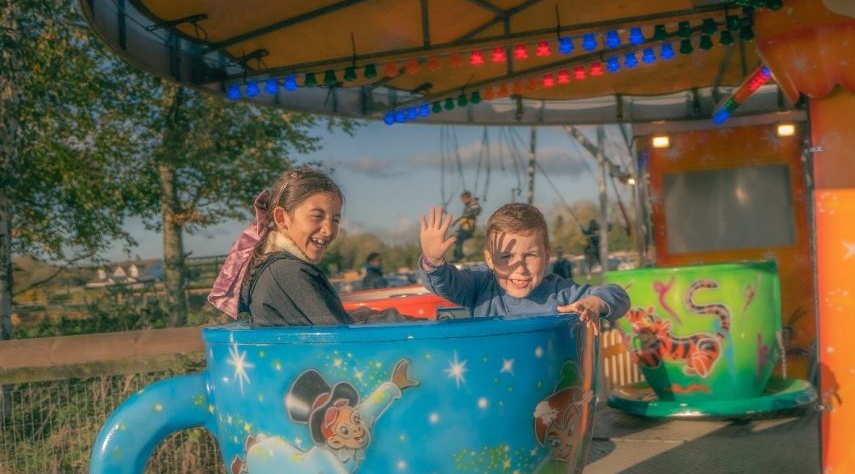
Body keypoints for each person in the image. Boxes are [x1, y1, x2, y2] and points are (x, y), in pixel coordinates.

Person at [208, 167, 402, 326]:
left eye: (335, 219)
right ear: (282, 218)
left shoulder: (276, 269)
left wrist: (357, 317)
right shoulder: (287, 273)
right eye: (317, 216)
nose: (328, 229)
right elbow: (342, 342)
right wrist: (398, 319)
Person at [417, 202, 630, 328]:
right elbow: (446, 283)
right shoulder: (479, 286)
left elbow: (618, 295)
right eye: (506, 257)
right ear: (489, 259)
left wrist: (595, 302)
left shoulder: (560, 292)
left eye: (530, 255)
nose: (519, 268)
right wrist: (433, 261)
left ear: (546, 257)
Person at [452, 191, 481, 262]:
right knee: (454, 238)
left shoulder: (473, 204)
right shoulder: (467, 206)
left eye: (463, 199)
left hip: (468, 229)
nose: (462, 201)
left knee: (458, 238)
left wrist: (472, 207)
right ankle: (456, 256)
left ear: (468, 198)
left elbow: (477, 211)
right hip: (463, 228)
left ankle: (459, 257)